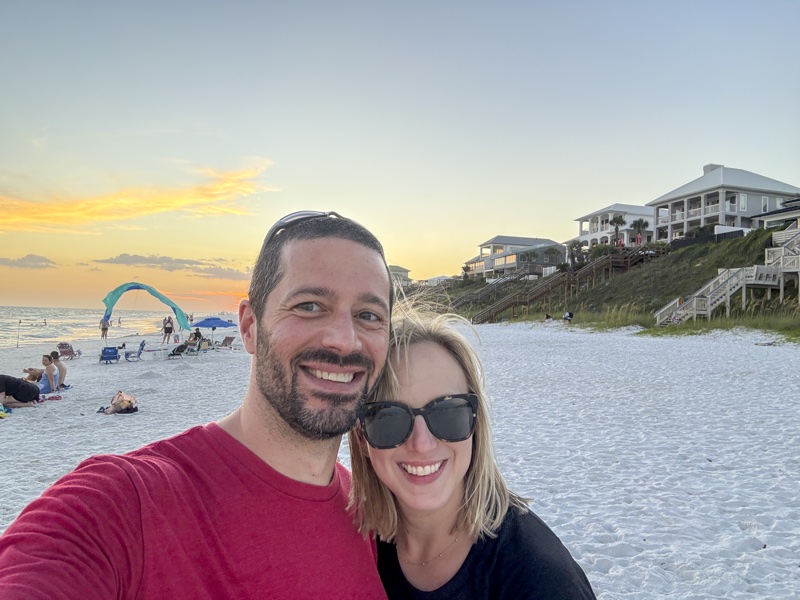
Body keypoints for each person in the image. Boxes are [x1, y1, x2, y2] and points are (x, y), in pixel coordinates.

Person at [0, 210, 393, 599]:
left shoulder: (367, 512)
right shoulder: (123, 503)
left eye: (369, 315)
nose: (345, 340)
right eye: (309, 305)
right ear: (250, 327)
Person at [349, 307, 596, 599]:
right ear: (362, 437)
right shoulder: (356, 546)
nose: (421, 444)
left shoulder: (539, 578)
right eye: (389, 417)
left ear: (475, 424)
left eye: (447, 413)